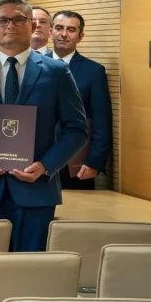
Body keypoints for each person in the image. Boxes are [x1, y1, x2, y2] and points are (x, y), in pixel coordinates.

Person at [0, 0, 88, 252]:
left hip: (36, 190)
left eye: (18, 19)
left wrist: (45, 166)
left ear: (32, 26)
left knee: (31, 267)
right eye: (2, 20)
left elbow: (76, 130)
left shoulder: (56, 72)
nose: (10, 25)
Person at [51, 10, 112, 190]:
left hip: (75, 160)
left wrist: (94, 161)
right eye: (59, 28)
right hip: (35, 159)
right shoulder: (32, 66)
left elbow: (101, 120)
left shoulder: (93, 71)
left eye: (71, 30)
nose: (64, 34)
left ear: (80, 36)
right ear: (50, 31)